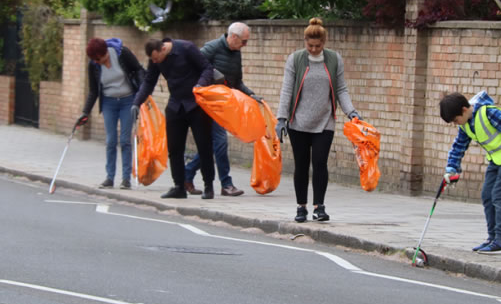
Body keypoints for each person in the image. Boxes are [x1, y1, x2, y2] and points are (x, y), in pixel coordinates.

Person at [275, 18, 361, 223]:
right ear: (305, 42)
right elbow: (287, 89)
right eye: (310, 45)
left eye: (318, 46)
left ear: (324, 43)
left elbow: (341, 89)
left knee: (320, 163)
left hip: (324, 121)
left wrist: (352, 112)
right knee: (301, 165)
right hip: (298, 122)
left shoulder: (333, 59)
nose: (314, 49)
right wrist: (281, 119)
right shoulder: (295, 59)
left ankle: (319, 207)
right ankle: (301, 207)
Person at [440, 91, 501, 255]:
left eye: (455, 120)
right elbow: (459, 146)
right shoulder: (465, 124)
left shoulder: (488, 113)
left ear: (463, 110)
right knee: (487, 196)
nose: (456, 124)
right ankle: (492, 238)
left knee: (499, 197)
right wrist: (452, 167)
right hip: (495, 160)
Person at [132, 38, 218, 200]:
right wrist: (136, 103)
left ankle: (209, 186)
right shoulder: (156, 59)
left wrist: (200, 84)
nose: (155, 62)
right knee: (174, 148)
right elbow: (149, 81)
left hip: (196, 105)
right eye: (153, 60)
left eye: (156, 59)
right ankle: (179, 186)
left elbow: (207, 68)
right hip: (175, 105)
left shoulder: (187, 48)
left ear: (163, 49)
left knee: (204, 146)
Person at [184, 22, 263, 197]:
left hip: (223, 106)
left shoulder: (236, 53)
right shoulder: (211, 48)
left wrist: (251, 95)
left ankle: (187, 174)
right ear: (233, 37)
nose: (245, 45)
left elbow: (237, 82)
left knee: (211, 145)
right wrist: (210, 75)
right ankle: (226, 184)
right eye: (244, 41)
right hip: (207, 104)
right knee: (220, 142)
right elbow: (192, 69)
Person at [76, 38, 145, 190]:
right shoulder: (93, 65)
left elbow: (138, 69)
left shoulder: (122, 53)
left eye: (99, 58)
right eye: (95, 60)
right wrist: (85, 112)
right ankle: (109, 178)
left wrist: (141, 93)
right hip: (109, 103)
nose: (98, 62)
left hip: (128, 100)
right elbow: (94, 91)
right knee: (111, 141)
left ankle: (126, 179)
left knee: (125, 140)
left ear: (105, 52)